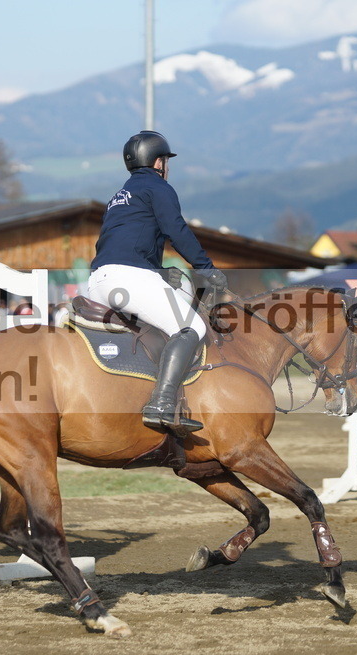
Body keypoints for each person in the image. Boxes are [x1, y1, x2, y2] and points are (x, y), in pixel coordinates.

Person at [87, 131, 227, 434]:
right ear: (158, 162)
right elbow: (176, 230)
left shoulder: (118, 197)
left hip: (99, 280)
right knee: (191, 327)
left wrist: (159, 271)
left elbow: (127, 241)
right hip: (127, 278)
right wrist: (206, 268)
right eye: (165, 160)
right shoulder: (158, 187)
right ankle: (162, 402)